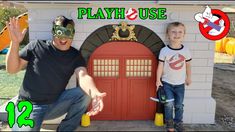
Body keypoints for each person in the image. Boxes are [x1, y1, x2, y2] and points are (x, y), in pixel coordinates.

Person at [6, 15, 106, 131]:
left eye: (67, 33)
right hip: (29, 106)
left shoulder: (74, 55)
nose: (63, 38)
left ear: (73, 34)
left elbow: (83, 76)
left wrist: (94, 94)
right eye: (60, 32)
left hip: (55, 104)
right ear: (53, 32)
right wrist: (14, 43)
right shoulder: (36, 46)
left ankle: (66, 129)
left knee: (84, 93)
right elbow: (12, 69)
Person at [156, 22, 192, 132]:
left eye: (180, 32)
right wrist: (158, 80)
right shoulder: (165, 51)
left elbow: (188, 65)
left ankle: (178, 123)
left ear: (184, 34)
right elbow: (160, 66)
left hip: (180, 84)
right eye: (173, 32)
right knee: (168, 104)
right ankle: (169, 124)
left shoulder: (185, 50)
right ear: (168, 34)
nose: (177, 34)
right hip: (167, 83)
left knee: (179, 105)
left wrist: (188, 77)